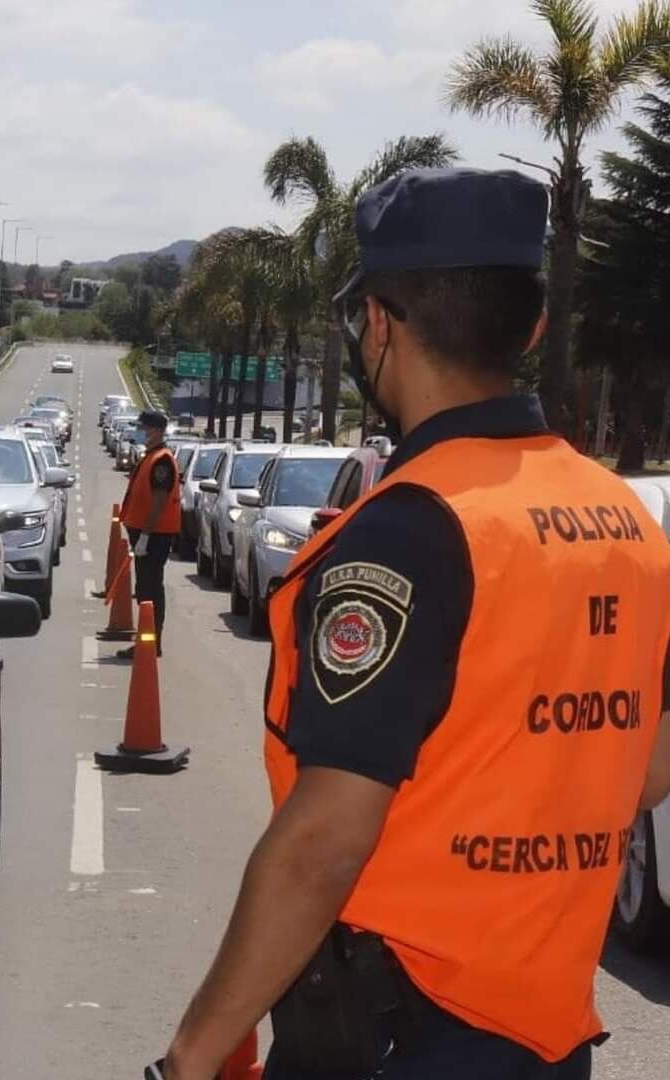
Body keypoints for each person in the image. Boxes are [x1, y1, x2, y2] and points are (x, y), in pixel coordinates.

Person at [157, 168, 670, 1079]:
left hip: (397, 1036)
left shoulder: (410, 529)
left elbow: (325, 840)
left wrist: (191, 1058)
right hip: (545, 1036)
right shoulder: (625, 519)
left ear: (379, 326)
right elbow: (646, 767)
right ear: (536, 327)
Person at [118, 410, 182, 658]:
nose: (140, 432)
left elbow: (159, 500)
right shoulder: (153, 456)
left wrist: (145, 534)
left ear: (155, 430)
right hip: (148, 534)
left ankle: (150, 642)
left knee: (150, 588)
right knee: (145, 587)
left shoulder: (162, 461)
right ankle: (146, 640)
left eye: (143, 428)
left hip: (154, 535)